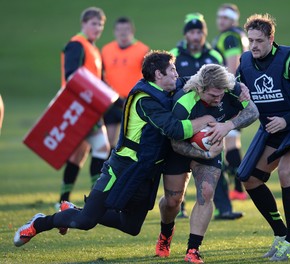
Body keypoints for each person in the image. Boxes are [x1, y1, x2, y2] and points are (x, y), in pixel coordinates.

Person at [13, 50, 218, 248]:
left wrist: (232, 84)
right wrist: (207, 120)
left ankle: (73, 210)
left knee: (131, 227)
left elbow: (194, 79)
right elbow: (174, 129)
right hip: (122, 167)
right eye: (172, 69)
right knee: (86, 221)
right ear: (158, 74)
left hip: (146, 171)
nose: (176, 73)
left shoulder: (166, 87)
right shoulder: (145, 100)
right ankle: (39, 224)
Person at [236, 13, 290, 261]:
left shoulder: (289, 61)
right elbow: (235, 95)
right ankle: (281, 234)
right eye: (250, 40)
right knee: (250, 179)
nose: (254, 45)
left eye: (259, 40)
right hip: (272, 127)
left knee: (286, 174)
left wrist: (286, 119)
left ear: (271, 38)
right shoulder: (244, 63)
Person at [155, 64, 259, 263]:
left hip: (211, 147)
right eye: (213, 95)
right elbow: (175, 143)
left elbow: (253, 112)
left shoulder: (230, 89)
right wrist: (202, 153)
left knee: (206, 193)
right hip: (181, 149)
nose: (218, 99)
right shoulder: (184, 102)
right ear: (200, 88)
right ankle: (165, 234)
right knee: (172, 202)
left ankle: (193, 250)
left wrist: (228, 125)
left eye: (221, 94)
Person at [170, 12, 241, 220]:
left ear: (204, 33)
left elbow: (225, 82)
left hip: (212, 116)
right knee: (180, 161)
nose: (195, 36)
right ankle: (179, 209)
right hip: (186, 117)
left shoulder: (214, 56)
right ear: (186, 35)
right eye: (191, 32)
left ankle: (223, 208)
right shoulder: (175, 53)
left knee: (215, 157)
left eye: (199, 31)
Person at [57, 7, 110, 208]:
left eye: (101, 25)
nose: (98, 28)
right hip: (81, 106)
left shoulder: (92, 48)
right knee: (102, 147)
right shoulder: (76, 45)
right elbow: (71, 74)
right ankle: (94, 199)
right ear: (84, 24)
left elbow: (100, 80)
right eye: (94, 24)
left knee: (79, 154)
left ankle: (63, 199)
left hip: (89, 106)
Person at [212, 3, 249, 201]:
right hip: (237, 92)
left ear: (233, 19)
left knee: (229, 140)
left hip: (229, 93)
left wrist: (222, 91)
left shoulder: (230, 37)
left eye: (225, 18)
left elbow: (232, 66)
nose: (221, 21)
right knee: (232, 140)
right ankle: (237, 188)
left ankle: (237, 188)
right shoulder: (238, 35)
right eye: (219, 18)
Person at [102, 17, 150, 148]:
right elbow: (100, 75)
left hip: (131, 101)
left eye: (126, 29)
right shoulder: (106, 50)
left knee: (131, 141)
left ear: (132, 31)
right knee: (108, 143)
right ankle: (108, 167)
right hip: (111, 101)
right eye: (119, 30)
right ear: (114, 32)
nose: (123, 33)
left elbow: (149, 76)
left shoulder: (142, 50)